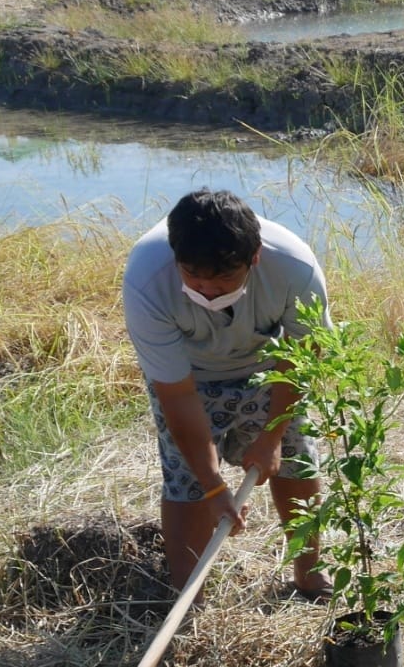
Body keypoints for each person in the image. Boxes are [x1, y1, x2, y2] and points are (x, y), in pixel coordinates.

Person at [121, 188, 329, 595]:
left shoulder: (293, 267)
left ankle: (309, 570)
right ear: (176, 257)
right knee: (187, 481)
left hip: (268, 367)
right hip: (189, 376)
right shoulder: (147, 279)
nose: (208, 292)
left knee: (295, 459)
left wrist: (271, 436)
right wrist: (215, 485)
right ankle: (188, 596)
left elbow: (304, 354)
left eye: (224, 280)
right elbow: (177, 394)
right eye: (194, 279)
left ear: (254, 258)